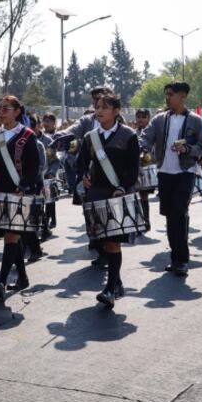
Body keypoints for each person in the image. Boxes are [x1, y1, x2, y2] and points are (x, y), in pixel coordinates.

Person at [140, 81, 202, 276]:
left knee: (178, 211)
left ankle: (181, 260)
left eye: (171, 94)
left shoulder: (196, 121)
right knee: (171, 216)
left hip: (185, 172)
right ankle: (175, 255)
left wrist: (188, 149)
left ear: (182, 96)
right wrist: (142, 148)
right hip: (164, 172)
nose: (167, 97)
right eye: (167, 94)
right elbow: (146, 137)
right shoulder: (159, 120)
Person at [0, 96, 44, 300]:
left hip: (19, 192)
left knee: (11, 235)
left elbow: (35, 166)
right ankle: (22, 277)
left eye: (6, 108)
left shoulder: (27, 135)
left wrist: (25, 185)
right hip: (0, 191)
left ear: (17, 111)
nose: (1, 111)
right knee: (11, 234)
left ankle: (2, 280)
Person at [78, 94, 140, 307]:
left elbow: (134, 168)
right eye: (97, 106)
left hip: (118, 194)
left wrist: (123, 187)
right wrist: (83, 176)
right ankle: (117, 281)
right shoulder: (90, 137)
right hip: (96, 193)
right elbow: (81, 163)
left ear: (116, 111)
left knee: (113, 241)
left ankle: (110, 289)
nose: (99, 110)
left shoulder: (129, 136)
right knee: (103, 241)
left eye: (105, 107)